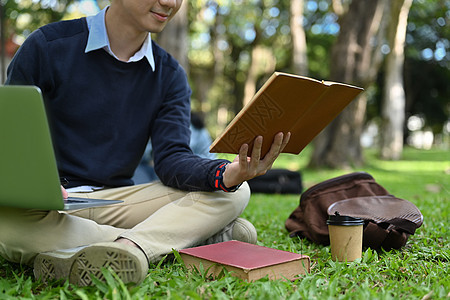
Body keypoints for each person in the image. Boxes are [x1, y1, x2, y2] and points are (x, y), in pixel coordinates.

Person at [0, 0, 290, 286]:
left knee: (235, 192)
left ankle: (128, 247)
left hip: (119, 200)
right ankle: (183, 239)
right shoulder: (47, 46)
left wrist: (228, 173)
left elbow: (172, 158)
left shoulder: (170, 75)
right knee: (8, 230)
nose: (170, 3)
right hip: (48, 206)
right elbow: (10, 141)